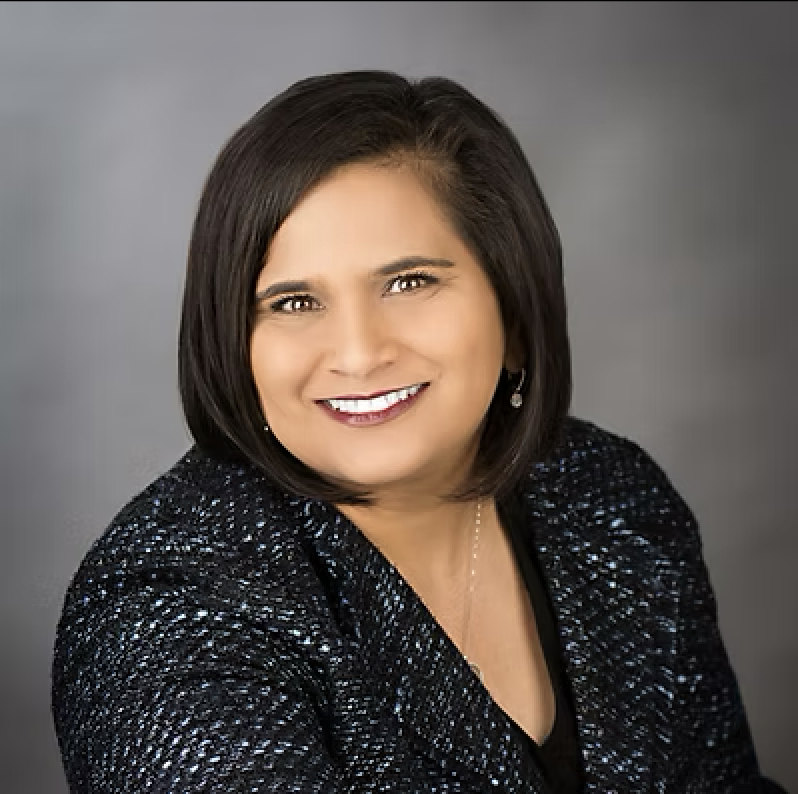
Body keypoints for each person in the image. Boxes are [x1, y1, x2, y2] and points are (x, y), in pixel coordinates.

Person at [51, 70, 786, 793]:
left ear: (516, 312)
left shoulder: (610, 496)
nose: (360, 352)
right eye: (294, 302)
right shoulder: (167, 608)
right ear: (234, 343)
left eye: (410, 283)